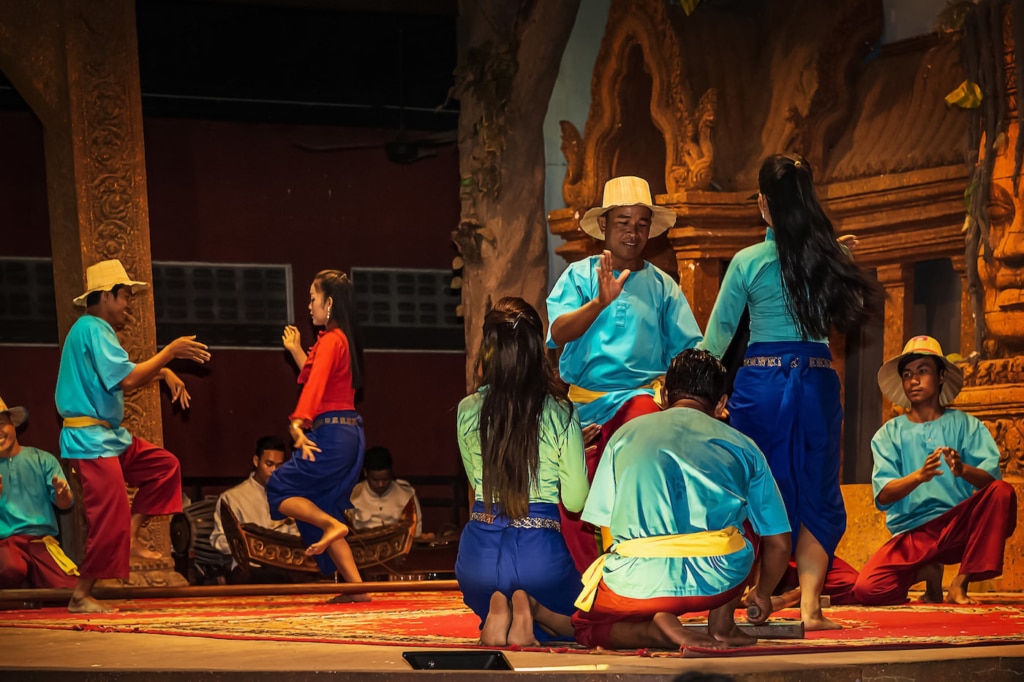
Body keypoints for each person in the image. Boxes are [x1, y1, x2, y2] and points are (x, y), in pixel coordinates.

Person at [698, 153, 880, 630]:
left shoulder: (748, 262)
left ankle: (748, 592)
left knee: (756, 486)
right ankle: (811, 608)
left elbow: (716, 343)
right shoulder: (831, 259)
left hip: (762, 384)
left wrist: (682, 384)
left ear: (762, 204)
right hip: (817, 381)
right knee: (818, 491)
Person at [571, 349, 791, 651]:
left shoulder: (623, 436)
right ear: (721, 405)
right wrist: (763, 593)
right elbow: (778, 541)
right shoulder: (744, 446)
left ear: (662, 397)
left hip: (635, 584)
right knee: (750, 524)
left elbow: (605, 526)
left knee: (584, 628)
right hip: (719, 580)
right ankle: (723, 625)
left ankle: (655, 631)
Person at [546, 175, 702, 573]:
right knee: (573, 500)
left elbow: (689, 351)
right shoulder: (581, 276)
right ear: (604, 226)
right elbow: (558, 333)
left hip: (640, 402)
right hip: (584, 406)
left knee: (643, 482)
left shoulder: (664, 287)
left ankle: (644, 572)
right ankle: (592, 582)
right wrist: (599, 302)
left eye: (641, 223)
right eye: (623, 222)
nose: (633, 232)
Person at [55, 259, 210, 613]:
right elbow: (125, 379)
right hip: (89, 441)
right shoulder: (92, 327)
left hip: (108, 437)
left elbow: (121, 374)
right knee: (108, 514)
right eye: (125, 296)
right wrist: (168, 353)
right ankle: (81, 595)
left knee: (163, 467)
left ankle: (132, 534)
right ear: (106, 296)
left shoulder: (93, 330)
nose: (128, 304)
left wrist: (164, 372)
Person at [456, 297, 589, 646]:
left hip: (477, 559)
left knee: (490, 586)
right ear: (536, 348)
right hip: (539, 557)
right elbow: (576, 501)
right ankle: (530, 607)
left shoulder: (467, 409)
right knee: (587, 628)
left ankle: (498, 605)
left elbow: (476, 482)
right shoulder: (561, 412)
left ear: (489, 348)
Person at [853, 336, 1017, 606]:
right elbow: (883, 496)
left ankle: (959, 584)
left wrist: (963, 469)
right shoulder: (888, 434)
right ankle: (928, 573)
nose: (913, 380)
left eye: (922, 371)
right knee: (868, 590)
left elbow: (992, 483)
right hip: (913, 532)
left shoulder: (967, 425)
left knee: (1002, 492)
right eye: (907, 374)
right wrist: (919, 477)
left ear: (941, 376)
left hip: (958, 525)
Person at [267, 269, 368, 602]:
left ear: (330, 302)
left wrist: (297, 423)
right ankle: (356, 587)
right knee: (323, 504)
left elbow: (313, 390)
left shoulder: (330, 340)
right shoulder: (343, 340)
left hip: (332, 434)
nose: (309, 305)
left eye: (313, 298)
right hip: (348, 433)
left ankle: (333, 527)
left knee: (279, 486)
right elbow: (318, 381)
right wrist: (297, 350)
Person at [0, 397, 78, 589]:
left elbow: (65, 504)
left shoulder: (42, 459)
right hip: (5, 544)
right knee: (10, 569)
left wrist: (62, 493)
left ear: (13, 425)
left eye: (1, 424)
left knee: (70, 590)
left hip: (40, 542)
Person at [209, 435, 301, 577]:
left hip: (288, 569)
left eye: (279, 466)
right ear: (256, 461)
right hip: (249, 570)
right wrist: (248, 542)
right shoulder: (232, 498)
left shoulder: (292, 497)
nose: (274, 471)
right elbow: (218, 540)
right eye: (269, 464)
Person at [349, 446, 429, 539]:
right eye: (375, 480)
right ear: (366, 473)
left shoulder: (406, 495)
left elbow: (416, 529)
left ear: (391, 473)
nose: (380, 485)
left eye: (385, 479)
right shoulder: (352, 496)